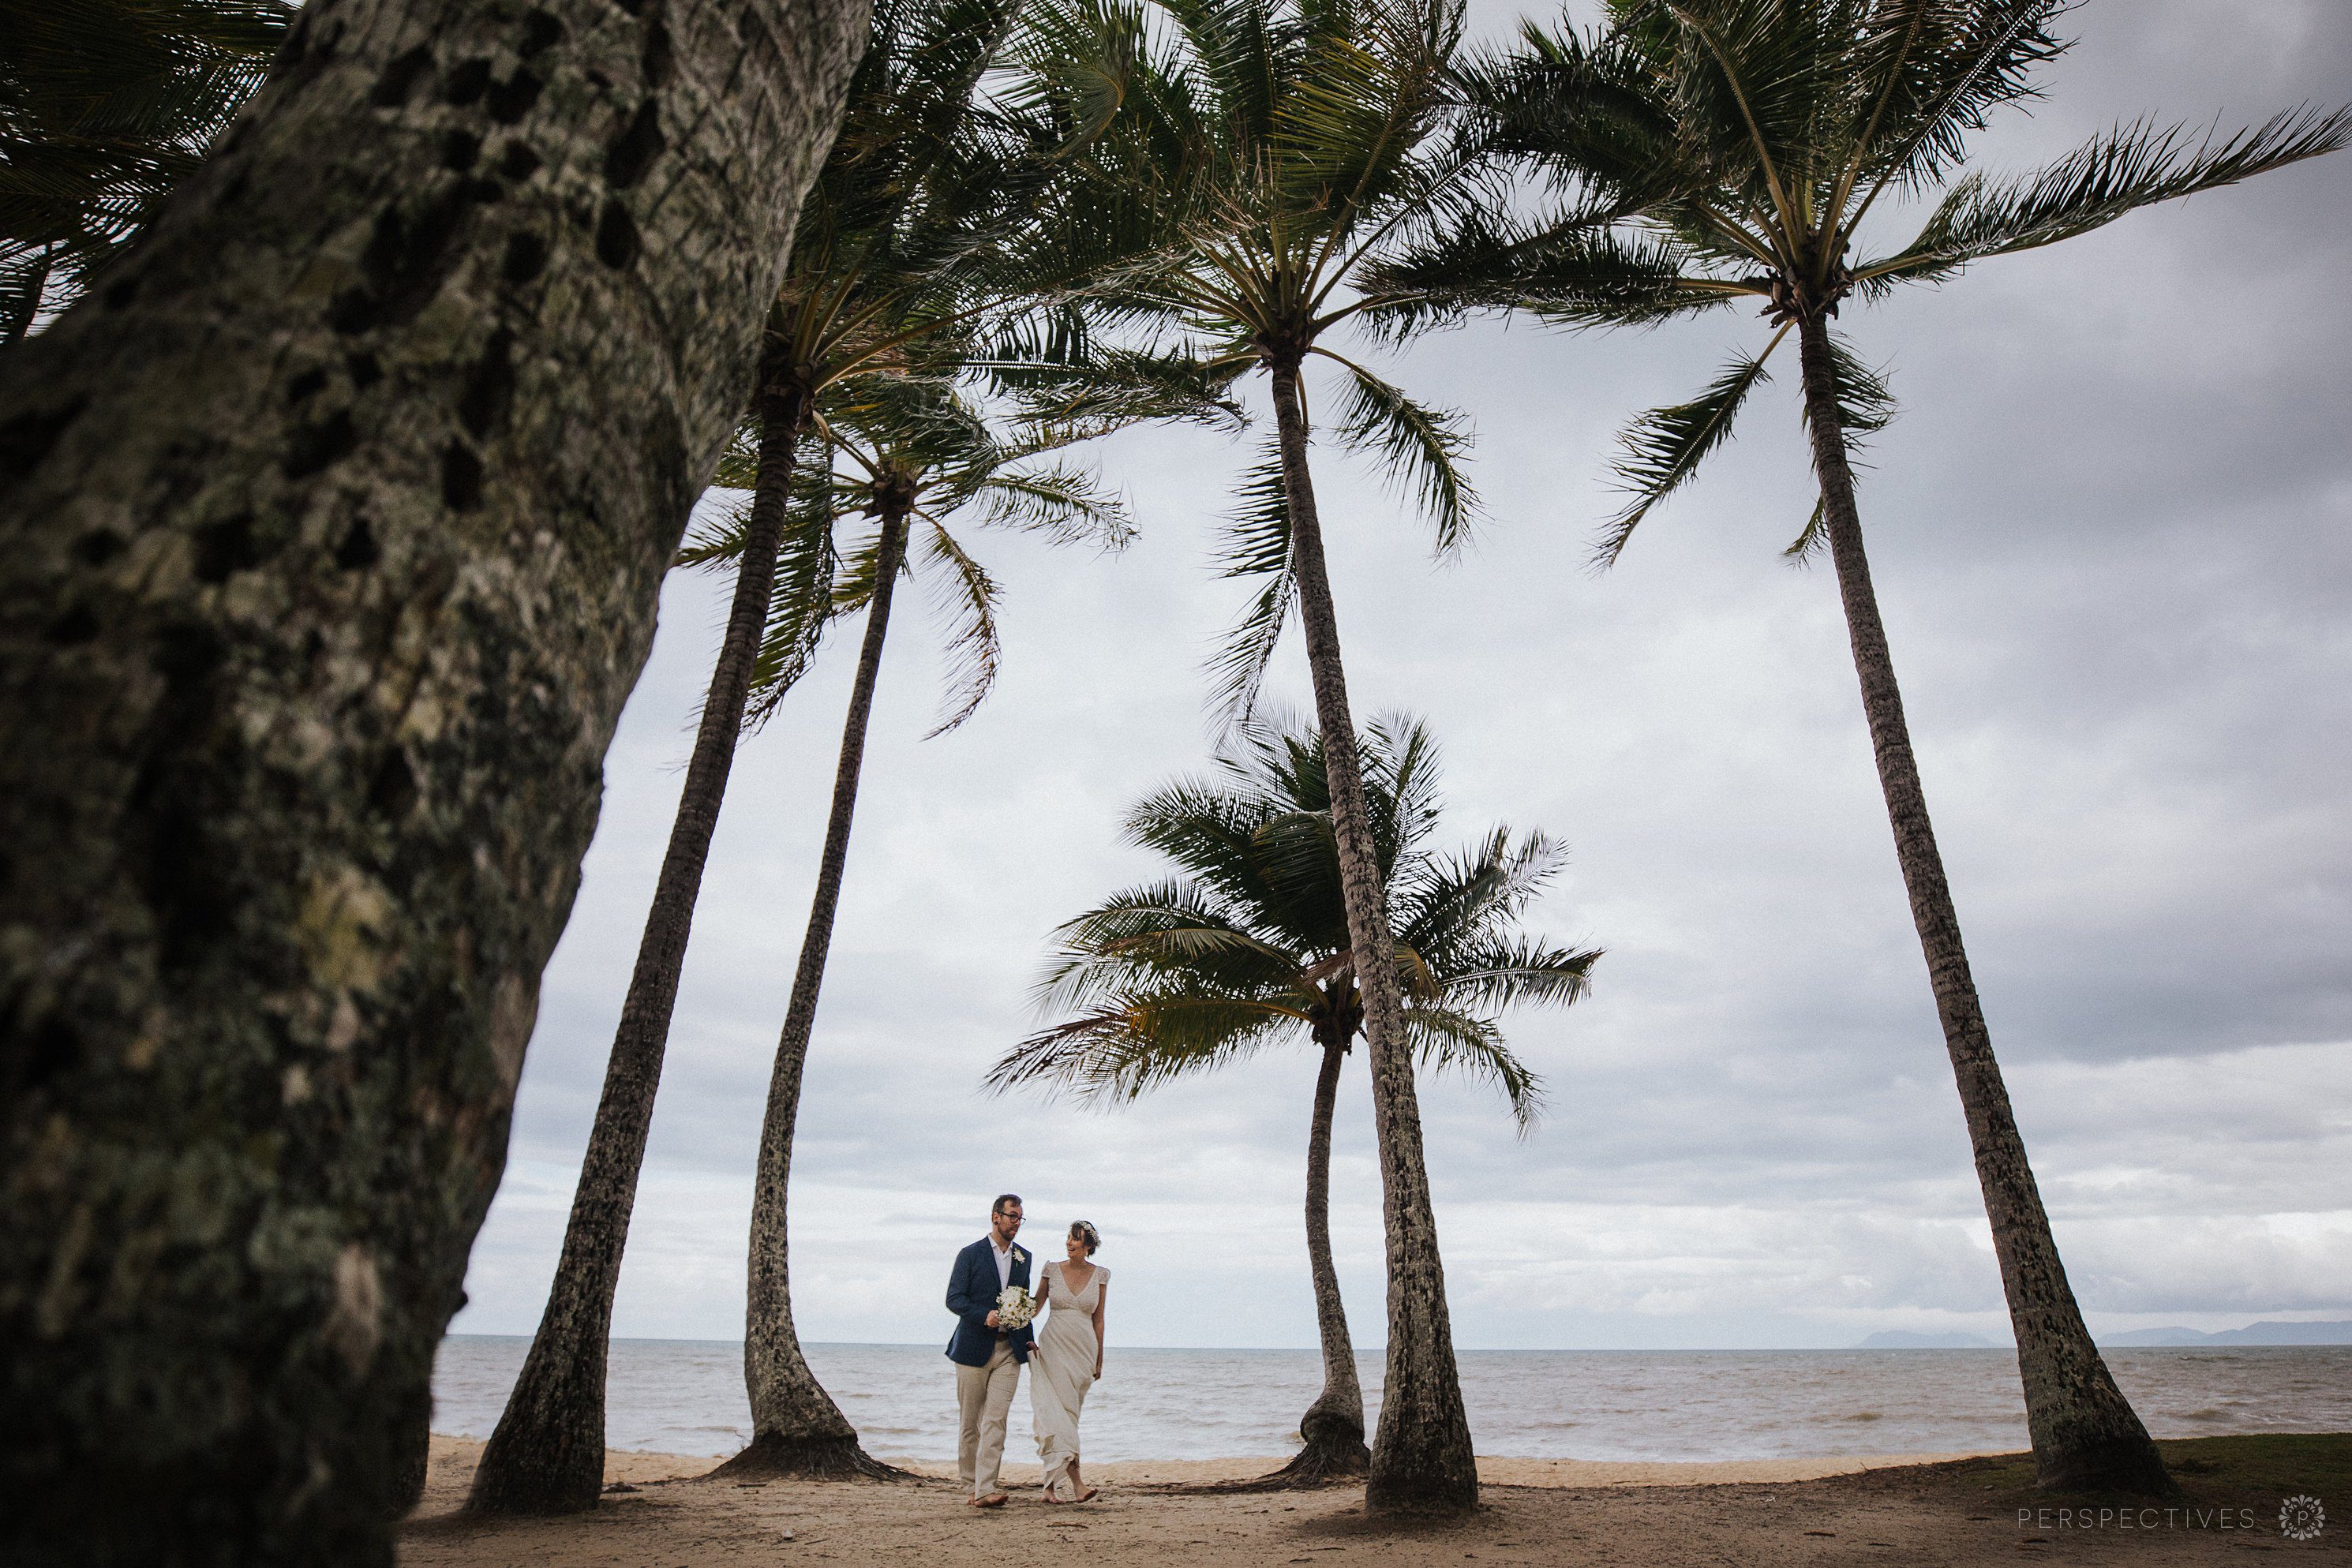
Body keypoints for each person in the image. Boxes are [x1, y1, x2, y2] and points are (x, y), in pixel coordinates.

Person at [946, 1193, 1033, 1507]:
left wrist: (1029, 1341)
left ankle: (986, 1488)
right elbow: (954, 1299)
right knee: (970, 1423)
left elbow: (1023, 1303)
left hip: (1009, 1351)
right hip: (972, 1350)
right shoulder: (970, 1254)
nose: (1017, 1223)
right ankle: (971, 1486)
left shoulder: (1024, 1257)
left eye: (1020, 1218)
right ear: (996, 1217)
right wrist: (984, 1315)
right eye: (1012, 1216)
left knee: (996, 1421)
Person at [1028, 1219, 1109, 1503]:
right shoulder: (1051, 1270)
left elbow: (1098, 1320)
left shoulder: (1100, 1275)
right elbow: (1034, 1308)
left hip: (1083, 1352)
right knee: (1055, 1414)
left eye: (1075, 1239)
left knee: (1069, 1417)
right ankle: (1078, 1485)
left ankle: (1049, 1487)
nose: (1069, 1243)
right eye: (1068, 1237)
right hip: (1054, 1347)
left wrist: (1099, 1359)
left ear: (1088, 1246)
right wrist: (1014, 1315)